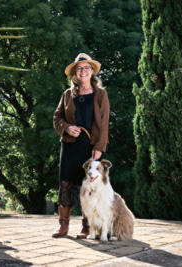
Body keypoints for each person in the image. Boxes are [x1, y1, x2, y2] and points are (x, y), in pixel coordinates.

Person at [52, 53, 110, 238]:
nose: (83, 71)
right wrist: (67, 128)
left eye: (86, 68)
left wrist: (100, 147)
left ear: (92, 72)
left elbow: (104, 122)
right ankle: (63, 225)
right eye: (79, 68)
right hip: (69, 146)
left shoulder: (101, 94)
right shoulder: (67, 95)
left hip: (90, 146)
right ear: (75, 74)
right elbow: (57, 117)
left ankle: (87, 226)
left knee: (88, 186)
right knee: (66, 184)